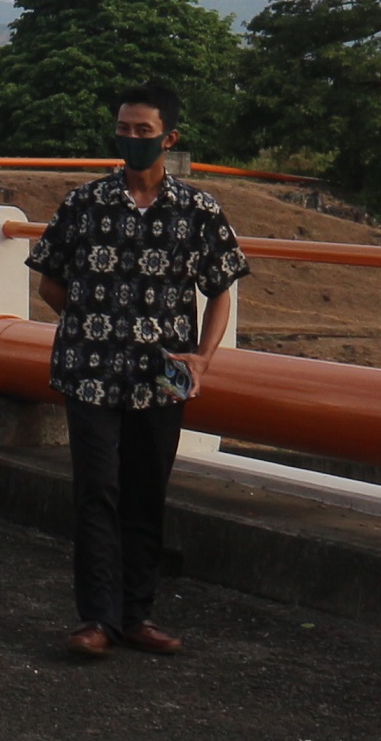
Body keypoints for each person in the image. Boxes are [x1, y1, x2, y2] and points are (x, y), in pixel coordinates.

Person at [27, 80, 248, 660]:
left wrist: (203, 355)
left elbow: (221, 288)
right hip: (89, 369)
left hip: (164, 376)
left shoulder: (197, 211)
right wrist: (88, 324)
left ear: (169, 138)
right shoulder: (85, 203)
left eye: (142, 131)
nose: (130, 139)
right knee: (96, 489)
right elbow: (49, 278)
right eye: (123, 129)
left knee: (147, 491)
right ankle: (95, 619)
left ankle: (136, 615)